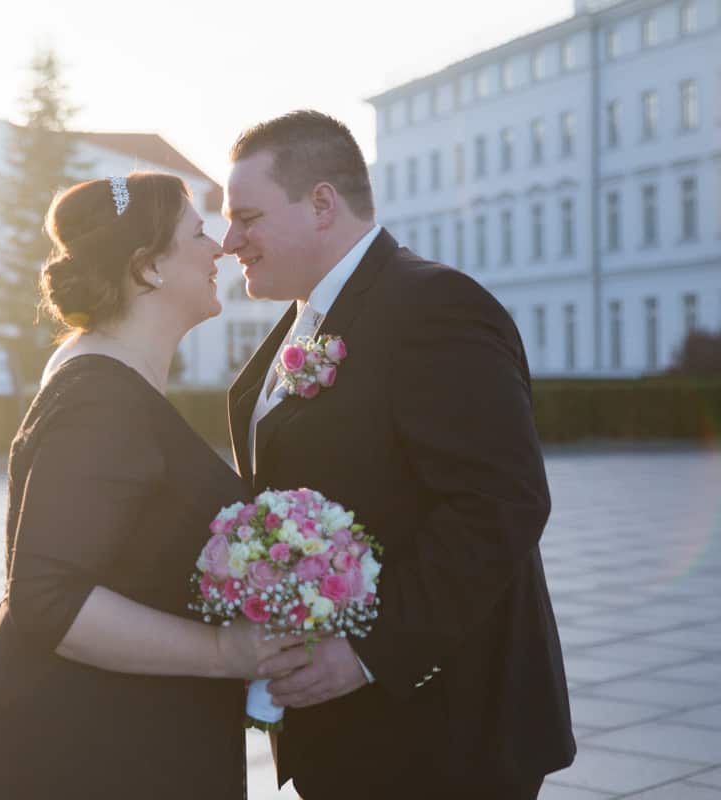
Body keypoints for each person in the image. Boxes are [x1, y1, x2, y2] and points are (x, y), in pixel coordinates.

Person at [222, 111, 575, 798]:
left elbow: (501, 503)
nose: (230, 239)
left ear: (322, 203)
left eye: (248, 216)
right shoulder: (305, 321)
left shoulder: (433, 306)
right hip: (347, 730)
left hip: (443, 735)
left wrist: (366, 652)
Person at [0, 172, 297, 799]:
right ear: (147, 269)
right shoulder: (97, 398)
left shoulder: (103, 371)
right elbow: (48, 597)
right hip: (81, 744)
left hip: (115, 729)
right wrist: (224, 653)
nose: (219, 247)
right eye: (196, 233)